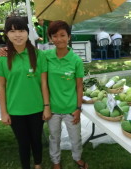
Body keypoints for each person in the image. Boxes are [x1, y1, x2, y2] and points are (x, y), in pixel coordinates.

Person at [0, 16, 51, 169]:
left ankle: (38, 164)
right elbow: (1, 87)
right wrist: (4, 112)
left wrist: (46, 106)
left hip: (37, 107)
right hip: (15, 110)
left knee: (36, 140)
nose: (17, 35)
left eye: (21, 30)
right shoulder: (2, 58)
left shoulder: (39, 55)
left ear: (27, 32)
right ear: (6, 34)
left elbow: (44, 83)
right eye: (12, 31)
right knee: (23, 142)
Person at [45, 20, 88, 169]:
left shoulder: (76, 60)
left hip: (71, 108)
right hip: (53, 108)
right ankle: (56, 161)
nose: (59, 39)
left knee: (75, 138)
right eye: (54, 36)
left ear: (69, 37)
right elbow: (27, 53)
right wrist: (6, 50)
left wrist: (78, 108)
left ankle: (77, 157)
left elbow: (79, 86)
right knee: (54, 137)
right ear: (50, 38)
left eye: (62, 35)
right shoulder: (46, 56)